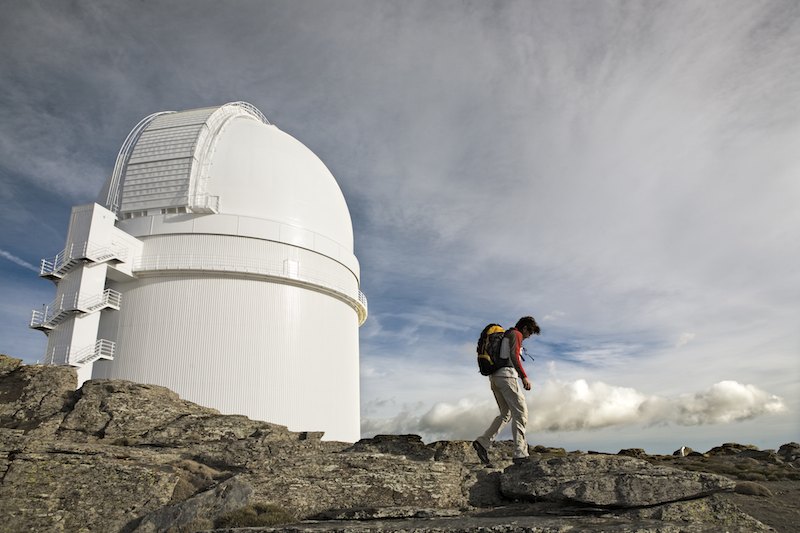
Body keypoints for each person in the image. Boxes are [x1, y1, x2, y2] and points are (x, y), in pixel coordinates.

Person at [473, 316, 540, 466]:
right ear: (524, 328)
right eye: (529, 333)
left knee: (506, 414)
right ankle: (520, 453)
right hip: (507, 376)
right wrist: (524, 377)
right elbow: (514, 357)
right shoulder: (516, 334)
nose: (528, 337)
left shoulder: (506, 335)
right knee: (521, 412)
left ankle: (483, 442)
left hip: (495, 377)